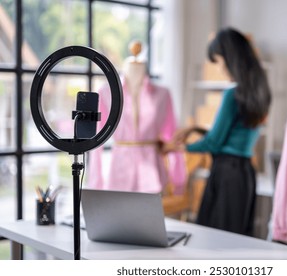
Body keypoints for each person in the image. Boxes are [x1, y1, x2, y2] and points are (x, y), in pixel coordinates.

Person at [164, 27, 272, 236]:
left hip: (226, 173)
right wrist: (195, 129)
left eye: (220, 61)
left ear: (230, 58)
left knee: (216, 237)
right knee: (238, 236)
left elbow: (214, 143)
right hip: (245, 174)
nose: (221, 68)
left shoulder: (232, 95)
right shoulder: (261, 91)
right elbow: (233, 133)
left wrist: (180, 148)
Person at [87, 41, 187, 194]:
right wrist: (95, 181)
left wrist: (178, 178)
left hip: (152, 172)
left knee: (149, 216)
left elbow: (172, 137)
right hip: (118, 170)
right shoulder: (106, 93)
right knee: (118, 217)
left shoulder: (162, 94)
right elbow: (97, 141)